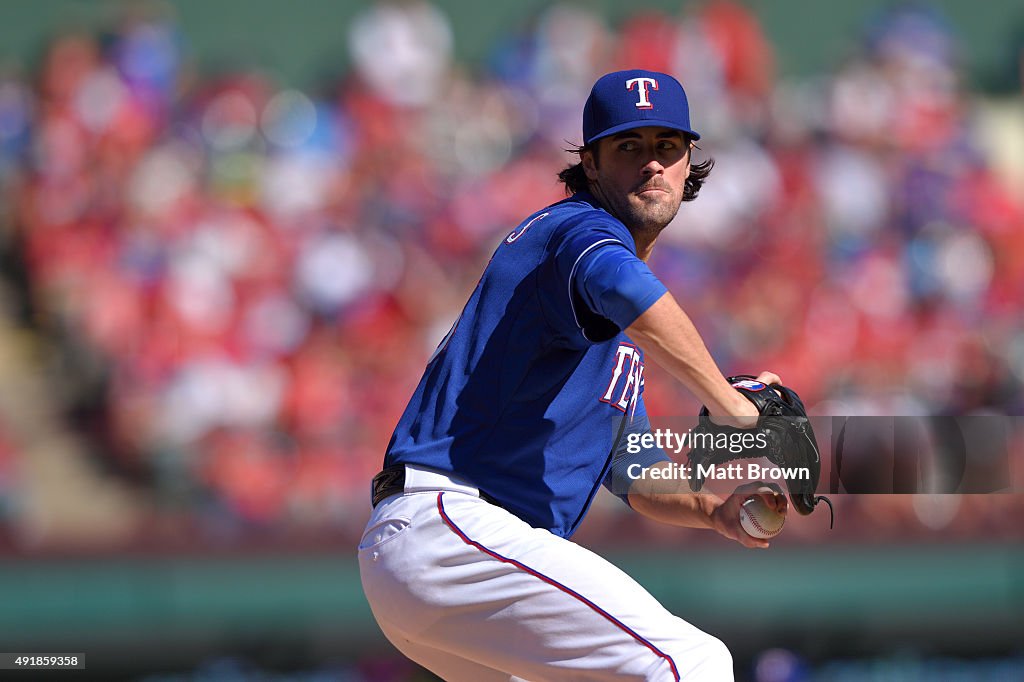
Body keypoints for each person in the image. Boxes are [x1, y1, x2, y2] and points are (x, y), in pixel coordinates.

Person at [358, 69, 787, 681]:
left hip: (447, 557)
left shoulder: (608, 331)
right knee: (690, 663)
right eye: (628, 147)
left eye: (667, 147)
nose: (651, 165)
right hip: (452, 528)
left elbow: (632, 472)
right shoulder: (577, 232)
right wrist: (729, 403)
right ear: (589, 164)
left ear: (690, 161)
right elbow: (619, 284)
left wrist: (709, 506)